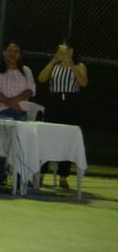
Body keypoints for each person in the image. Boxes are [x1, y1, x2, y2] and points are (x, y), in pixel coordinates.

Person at [0, 41, 35, 188]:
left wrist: (15, 101)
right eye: (9, 50)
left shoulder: (26, 70)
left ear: (20, 55)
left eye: (16, 51)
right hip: (0, 111)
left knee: (22, 142)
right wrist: (8, 102)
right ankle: (0, 176)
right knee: (1, 141)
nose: (12, 54)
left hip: (20, 112)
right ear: (4, 52)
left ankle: (20, 177)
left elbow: (30, 90)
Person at [37, 38, 87, 189]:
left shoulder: (79, 65)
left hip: (71, 102)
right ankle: (41, 173)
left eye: (68, 49)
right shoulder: (54, 65)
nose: (65, 52)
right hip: (54, 101)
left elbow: (83, 82)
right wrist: (54, 60)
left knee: (68, 138)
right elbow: (41, 78)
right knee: (48, 137)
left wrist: (70, 64)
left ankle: (63, 175)